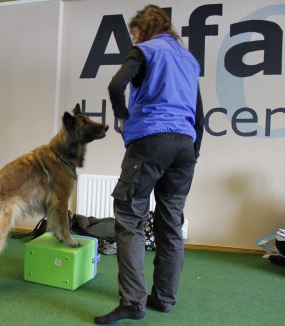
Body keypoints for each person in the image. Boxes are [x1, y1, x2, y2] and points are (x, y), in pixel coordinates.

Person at [94, 4, 204, 324]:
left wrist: (124, 119)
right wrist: (192, 153)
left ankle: (132, 301)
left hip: (150, 143)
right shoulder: (187, 59)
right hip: (184, 147)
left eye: (135, 33)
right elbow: (198, 117)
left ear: (144, 29)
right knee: (171, 224)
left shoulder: (145, 50)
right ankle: (164, 299)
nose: (134, 38)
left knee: (130, 219)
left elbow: (116, 86)